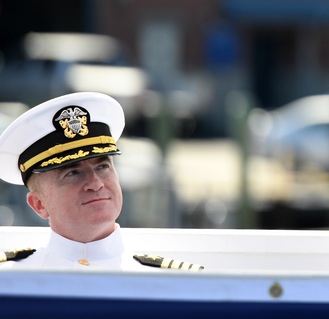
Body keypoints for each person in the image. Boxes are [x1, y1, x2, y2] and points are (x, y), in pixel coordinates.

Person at [0, 91, 202, 270]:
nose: (96, 183)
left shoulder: (173, 283)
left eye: (102, 167)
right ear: (39, 204)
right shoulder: (10, 280)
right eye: (72, 173)